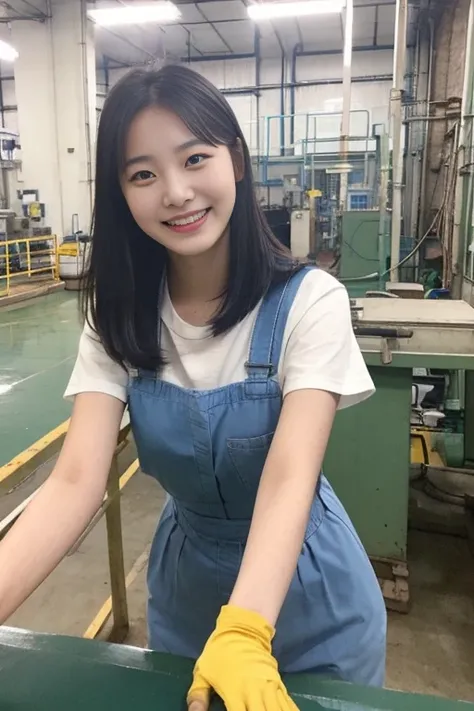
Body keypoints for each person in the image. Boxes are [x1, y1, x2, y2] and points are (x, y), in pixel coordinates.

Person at [0, 64, 387, 711]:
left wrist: (244, 628)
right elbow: (75, 480)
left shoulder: (309, 302)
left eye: (194, 157)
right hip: (187, 588)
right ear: (120, 192)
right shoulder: (119, 318)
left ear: (234, 160)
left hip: (311, 586)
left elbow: (291, 472)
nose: (175, 192)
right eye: (143, 174)